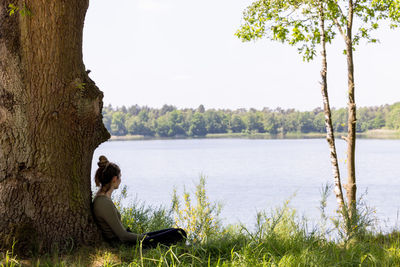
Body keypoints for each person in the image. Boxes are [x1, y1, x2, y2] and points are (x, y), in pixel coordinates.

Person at [92, 155, 187, 248]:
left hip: (125, 240)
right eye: (120, 177)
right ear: (114, 179)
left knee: (172, 230)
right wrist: (146, 238)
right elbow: (123, 236)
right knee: (179, 233)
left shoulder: (102, 199)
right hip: (124, 244)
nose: (120, 180)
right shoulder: (103, 203)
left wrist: (147, 237)